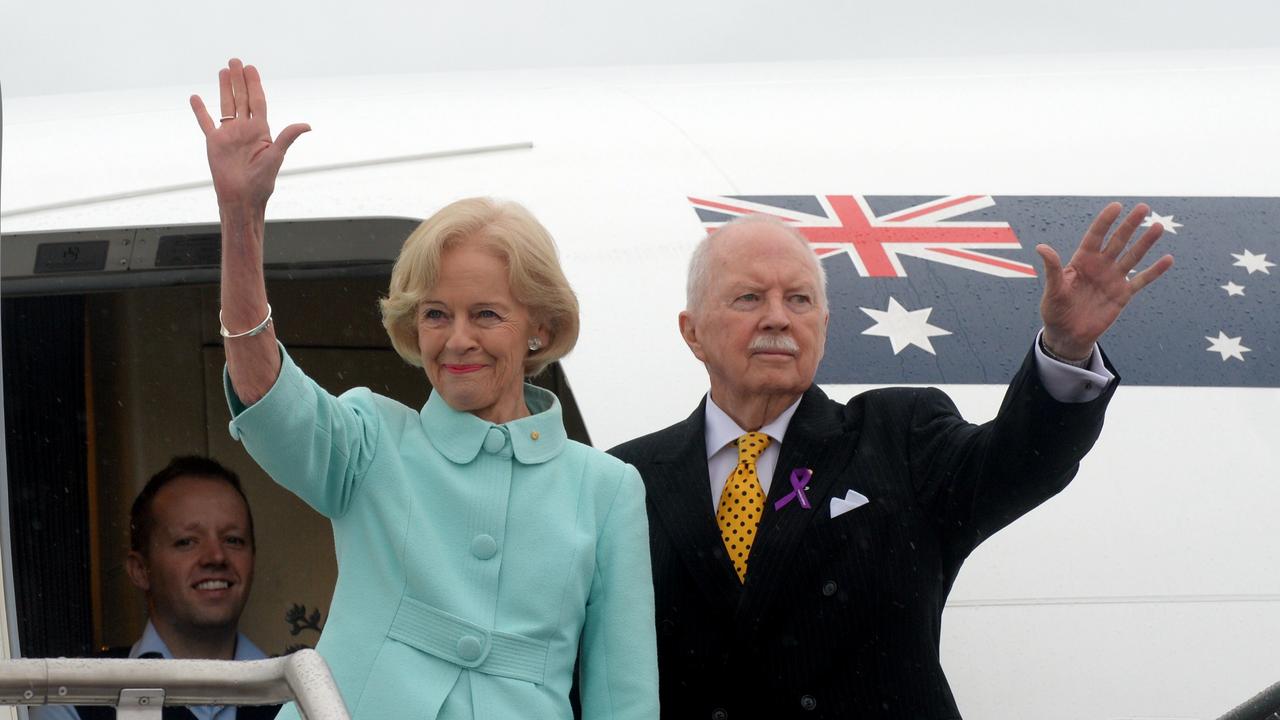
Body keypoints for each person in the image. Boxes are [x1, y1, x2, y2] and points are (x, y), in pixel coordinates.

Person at [189, 59, 657, 720]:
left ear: (539, 328)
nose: (456, 338)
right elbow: (265, 390)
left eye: (485, 314)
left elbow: (625, 701)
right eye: (436, 314)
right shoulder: (370, 440)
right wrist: (242, 218)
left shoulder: (606, 491)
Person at [609, 210, 1172, 718]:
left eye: (800, 300)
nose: (778, 318)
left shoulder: (899, 435)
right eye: (749, 299)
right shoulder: (624, 480)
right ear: (692, 333)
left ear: (824, 325)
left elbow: (1019, 461)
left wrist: (1065, 350)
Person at [33, 456, 279, 720]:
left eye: (233, 540)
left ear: (253, 559)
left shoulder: (296, 694)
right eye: (187, 542)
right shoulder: (75, 696)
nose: (216, 556)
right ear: (140, 570)